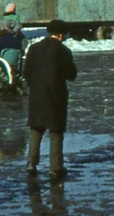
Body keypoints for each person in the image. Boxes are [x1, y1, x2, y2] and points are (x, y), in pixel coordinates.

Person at [23, 19, 77, 181]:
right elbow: (72, 75)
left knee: (36, 128)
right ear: (60, 35)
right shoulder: (63, 51)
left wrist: (34, 86)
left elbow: (26, 73)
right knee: (56, 131)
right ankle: (55, 167)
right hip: (56, 94)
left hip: (37, 94)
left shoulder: (34, 48)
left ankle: (31, 163)